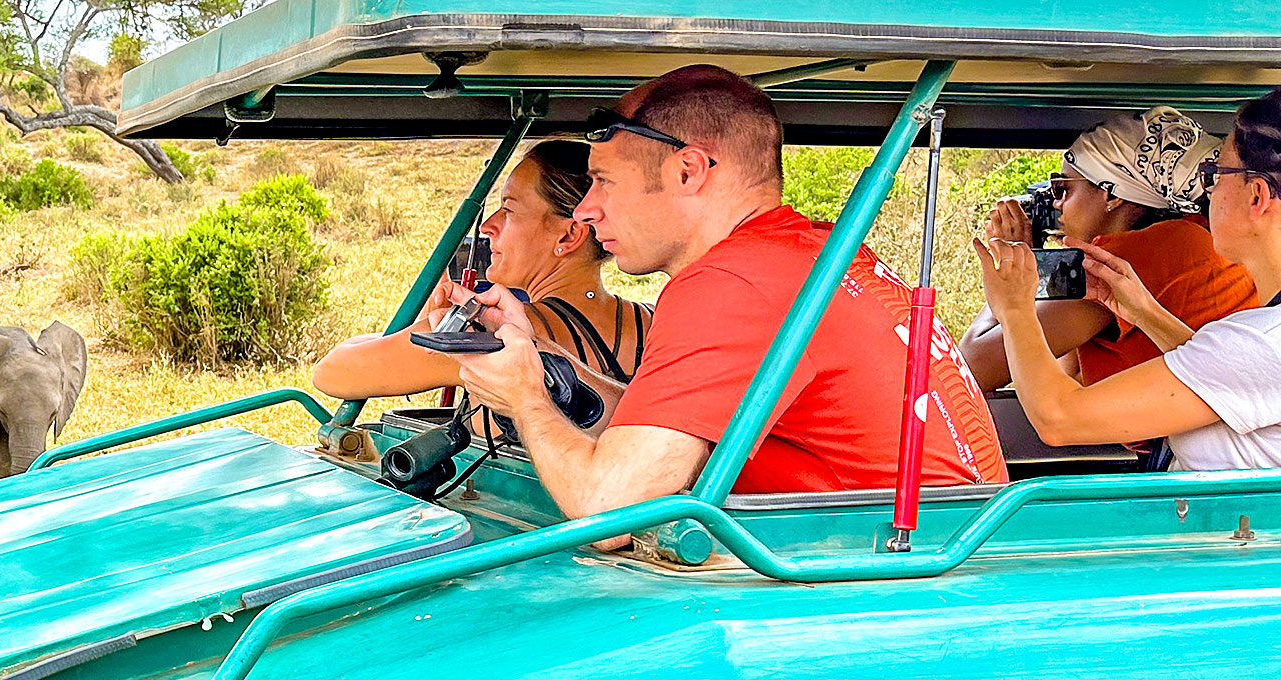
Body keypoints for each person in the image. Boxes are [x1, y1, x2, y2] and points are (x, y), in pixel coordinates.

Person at [448, 64, 1007, 527]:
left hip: (872, 583)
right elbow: (672, 445)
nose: (588, 209)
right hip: (934, 562)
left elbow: (610, 509)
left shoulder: (732, 284)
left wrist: (524, 398)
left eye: (604, 182)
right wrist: (546, 367)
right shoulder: (806, 253)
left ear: (688, 171)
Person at [977, 89, 1281, 470]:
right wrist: (1145, 313)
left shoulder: (1262, 341)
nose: (1209, 190)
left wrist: (1012, 305)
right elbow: (1223, 372)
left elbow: (1057, 418)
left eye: (1215, 175)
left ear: (1257, 196)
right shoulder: (1261, 334)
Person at [311, 140, 653, 399]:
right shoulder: (654, 322)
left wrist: (428, 328)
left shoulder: (490, 338)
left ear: (569, 234)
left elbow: (332, 373)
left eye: (510, 210)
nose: (489, 225)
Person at [960, 107, 1255, 391]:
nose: (1055, 206)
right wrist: (1038, 268)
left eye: (1062, 189)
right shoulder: (1187, 236)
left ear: (1110, 193)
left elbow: (971, 368)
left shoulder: (1135, 255)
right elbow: (1069, 375)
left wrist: (1011, 264)